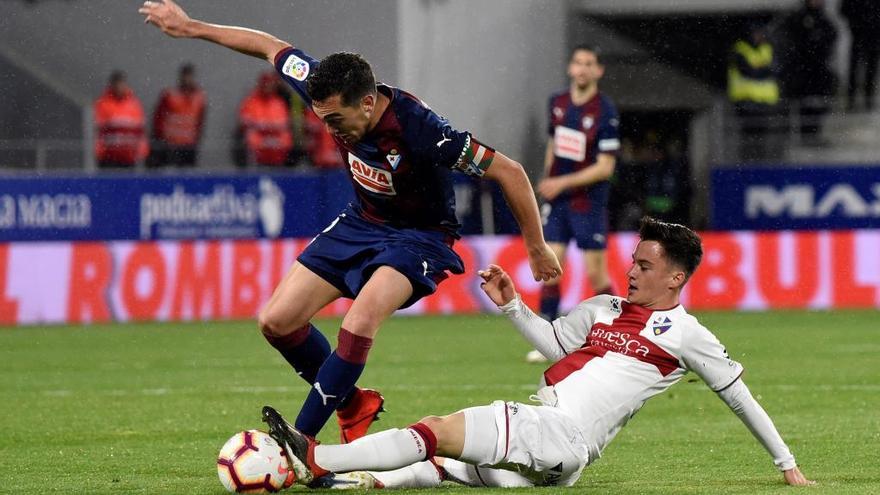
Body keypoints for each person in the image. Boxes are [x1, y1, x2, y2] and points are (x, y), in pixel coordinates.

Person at [138, 0, 561, 444]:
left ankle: (300, 441)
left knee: (358, 323)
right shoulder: (326, 87)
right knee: (276, 321)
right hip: (363, 222)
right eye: (324, 120)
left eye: (337, 120)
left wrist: (536, 245)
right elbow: (268, 46)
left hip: (420, 239)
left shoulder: (422, 130)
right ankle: (354, 403)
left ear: (366, 102)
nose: (332, 130)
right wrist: (190, 28)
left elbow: (509, 171)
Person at [262, 217, 814, 490]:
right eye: (634, 262)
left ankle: (315, 459)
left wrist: (787, 466)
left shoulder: (686, 333)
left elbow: (739, 397)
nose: (631, 271)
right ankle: (359, 479)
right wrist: (513, 306)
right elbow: (555, 344)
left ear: (677, 277)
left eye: (645, 267)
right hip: (556, 459)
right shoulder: (603, 308)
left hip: (562, 435)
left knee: (435, 427)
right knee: (439, 466)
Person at [525, 44, 619, 364]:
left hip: (587, 201)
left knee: (596, 275)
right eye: (577, 62)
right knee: (551, 268)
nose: (582, 68)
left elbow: (605, 168)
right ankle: (548, 340)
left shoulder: (605, 111)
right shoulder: (558, 104)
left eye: (588, 63)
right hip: (559, 200)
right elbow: (554, 143)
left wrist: (561, 182)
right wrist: (547, 179)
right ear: (570, 68)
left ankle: (618, 333)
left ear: (598, 71)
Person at [780, 0, 837, 143]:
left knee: (819, 105)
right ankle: (804, 136)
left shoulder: (824, 19)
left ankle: (815, 134)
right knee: (803, 106)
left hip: (819, 72)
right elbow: (794, 42)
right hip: (803, 72)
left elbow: (831, 35)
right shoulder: (799, 18)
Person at [727, 23, 780, 161]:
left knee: (764, 136)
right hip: (745, 101)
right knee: (748, 137)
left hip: (765, 102)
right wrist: (764, 70)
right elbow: (749, 72)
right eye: (755, 34)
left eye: (760, 34)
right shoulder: (740, 49)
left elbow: (776, 69)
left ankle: (762, 160)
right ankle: (748, 161)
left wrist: (760, 70)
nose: (758, 37)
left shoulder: (767, 48)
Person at [149, 63, 206, 167]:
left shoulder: (199, 97)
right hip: (170, 143)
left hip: (189, 143)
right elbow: (159, 118)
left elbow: (200, 121)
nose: (187, 79)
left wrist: (197, 140)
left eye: (189, 76)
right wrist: (159, 138)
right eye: (185, 76)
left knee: (187, 173)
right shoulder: (170, 95)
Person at [94, 70, 148, 169]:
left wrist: (142, 151)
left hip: (129, 155)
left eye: (121, 83)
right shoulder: (103, 103)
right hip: (108, 156)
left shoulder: (134, 104)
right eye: (116, 83)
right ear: (111, 85)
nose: (119, 87)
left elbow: (140, 129)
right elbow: (98, 129)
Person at [238, 71, 293, 167]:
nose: (267, 87)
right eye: (265, 84)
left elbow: (284, 122)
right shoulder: (251, 100)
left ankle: (281, 167)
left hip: (276, 135)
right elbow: (245, 120)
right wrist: (261, 126)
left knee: (286, 138)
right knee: (252, 137)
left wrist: (270, 127)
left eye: (270, 84)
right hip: (259, 134)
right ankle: (254, 168)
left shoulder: (278, 102)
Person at [840, 0, 880, 111]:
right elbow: (844, 9)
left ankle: (868, 100)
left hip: (873, 37)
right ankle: (851, 100)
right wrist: (856, 23)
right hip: (859, 36)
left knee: (870, 70)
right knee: (854, 70)